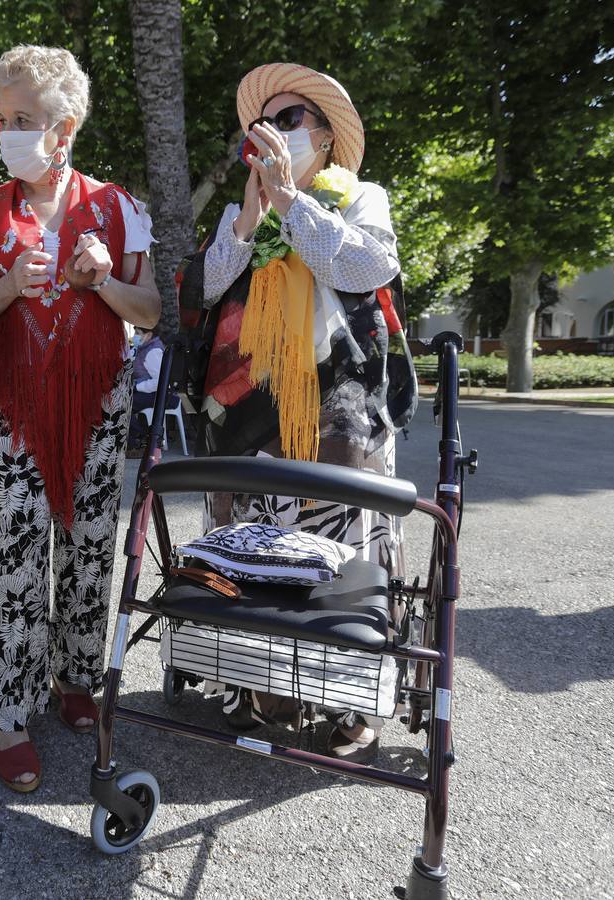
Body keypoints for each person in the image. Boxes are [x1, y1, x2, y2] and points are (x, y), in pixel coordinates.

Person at [0, 45, 161, 792]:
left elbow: (152, 311)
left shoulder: (117, 207)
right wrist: (6, 286)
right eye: (4, 117)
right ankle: (8, 712)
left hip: (99, 406)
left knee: (90, 547)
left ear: (63, 130)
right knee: (13, 557)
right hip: (13, 407)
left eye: (24, 118)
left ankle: (74, 681)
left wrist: (101, 282)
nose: (9, 131)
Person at [186, 63, 415, 762]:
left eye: (289, 121)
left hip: (340, 405)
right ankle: (261, 691)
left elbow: (367, 268)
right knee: (253, 536)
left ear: (322, 136)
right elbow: (204, 289)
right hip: (252, 407)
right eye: (266, 124)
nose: (273, 134)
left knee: (341, 538)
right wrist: (252, 217)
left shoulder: (360, 197)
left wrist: (292, 203)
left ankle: (350, 700)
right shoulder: (240, 211)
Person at [126, 326, 165, 455]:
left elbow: (159, 382)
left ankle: (140, 437)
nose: (135, 336)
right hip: (145, 391)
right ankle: (135, 439)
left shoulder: (153, 351)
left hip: (155, 394)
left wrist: (137, 387)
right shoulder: (142, 348)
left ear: (148, 335)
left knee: (124, 405)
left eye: (138, 333)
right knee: (121, 401)